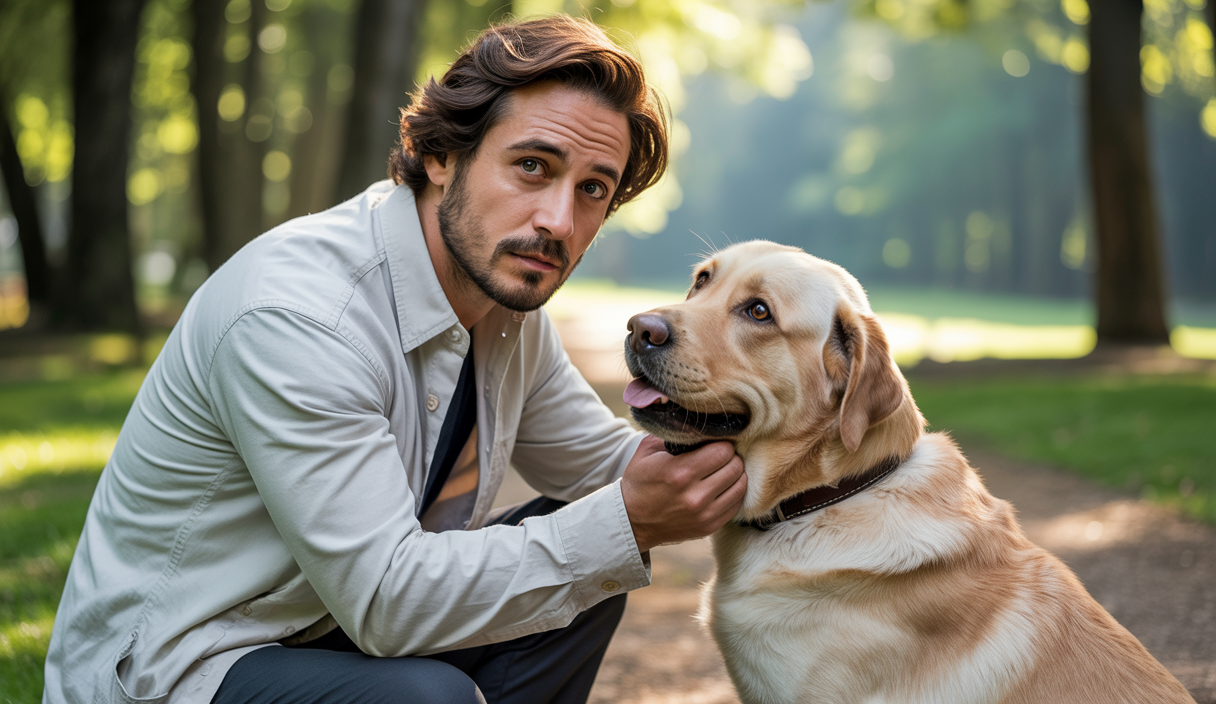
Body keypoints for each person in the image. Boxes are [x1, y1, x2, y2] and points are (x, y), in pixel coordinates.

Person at [42, 14, 747, 704]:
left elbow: (608, 470)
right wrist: (628, 520)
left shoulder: (504, 308)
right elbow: (388, 600)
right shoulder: (302, 317)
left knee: (590, 568)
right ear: (442, 155)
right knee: (431, 690)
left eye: (593, 189)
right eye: (533, 166)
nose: (559, 222)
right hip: (182, 665)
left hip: (322, 625)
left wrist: (807, 443)